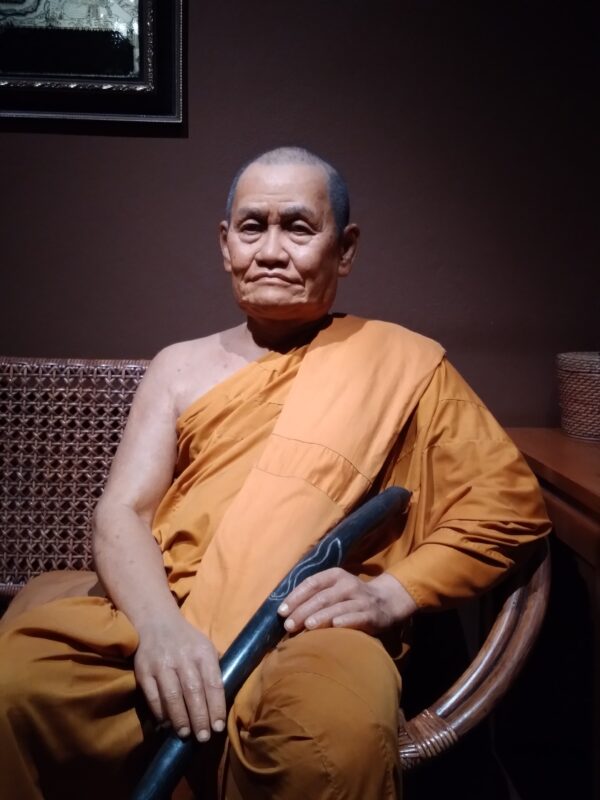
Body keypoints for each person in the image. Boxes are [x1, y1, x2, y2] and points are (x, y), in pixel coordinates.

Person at [0, 146, 550, 800]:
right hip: (166, 610)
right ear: (224, 242)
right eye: (252, 226)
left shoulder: (403, 365)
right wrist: (161, 630)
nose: (269, 249)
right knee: (17, 687)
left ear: (344, 250)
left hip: (311, 630)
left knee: (329, 741)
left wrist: (389, 594)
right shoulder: (178, 366)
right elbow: (124, 512)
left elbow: (508, 507)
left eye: (297, 226)